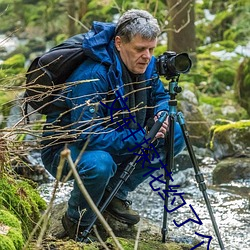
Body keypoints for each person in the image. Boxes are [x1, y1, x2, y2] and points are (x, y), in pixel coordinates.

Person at [41, 9, 185, 241]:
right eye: (140, 49)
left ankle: (115, 194)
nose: (147, 56)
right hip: (67, 150)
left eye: (151, 49)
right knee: (100, 164)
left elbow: (159, 96)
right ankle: (76, 221)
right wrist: (142, 136)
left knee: (175, 132)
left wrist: (162, 113)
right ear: (119, 43)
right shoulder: (92, 74)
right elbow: (87, 135)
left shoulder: (145, 64)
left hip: (118, 136)